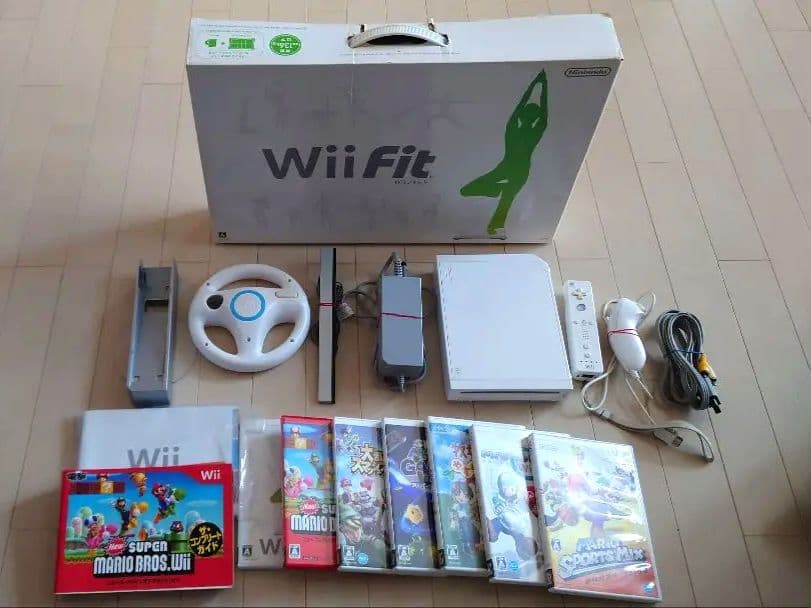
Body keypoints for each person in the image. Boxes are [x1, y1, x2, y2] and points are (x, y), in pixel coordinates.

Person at [460, 70, 549, 237]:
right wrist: (540, 85)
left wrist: (539, 85)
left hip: (519, 170)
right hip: (507, 167)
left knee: (506, 202)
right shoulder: (516, 129)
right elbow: (531, 109)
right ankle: (497, 189)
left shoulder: (528, 131)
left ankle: (494, 226)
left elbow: (535, 110)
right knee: (466, 190)